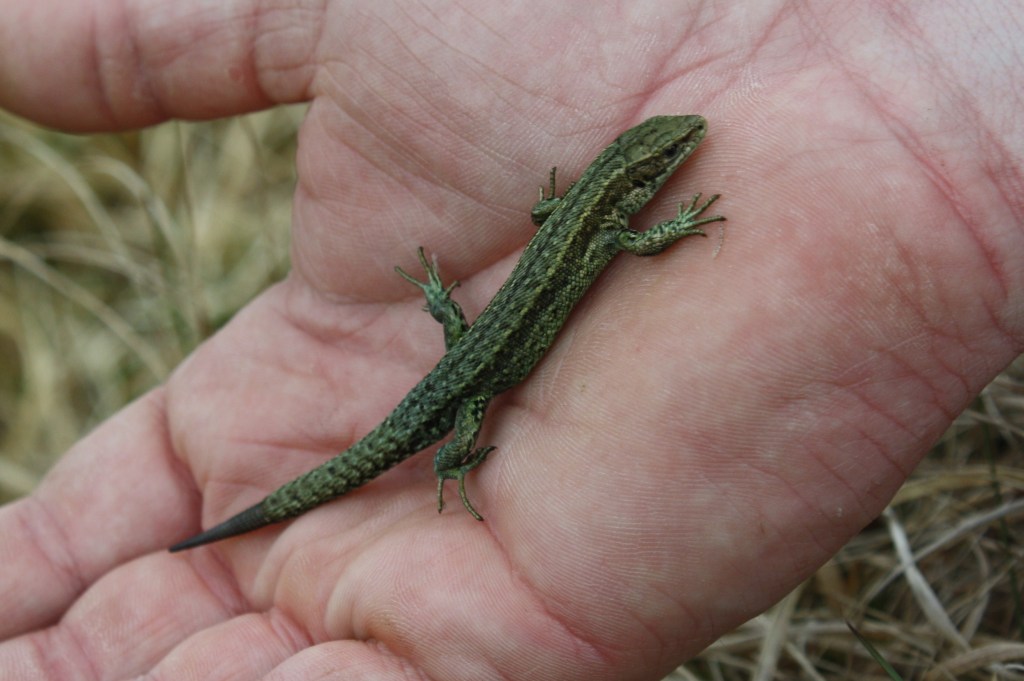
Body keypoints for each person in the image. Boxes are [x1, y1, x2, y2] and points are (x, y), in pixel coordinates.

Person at [0, 3, 1020, 679]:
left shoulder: (582, 206)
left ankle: (410, 459)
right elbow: (637, 240)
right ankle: (443, 466)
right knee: (452, 418)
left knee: (456, 371)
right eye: (664, 153)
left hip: (472, 344)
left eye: (668, 154)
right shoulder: (615, 217)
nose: (679, 152)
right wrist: (682, 226)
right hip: (467, 378)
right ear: (629, 173)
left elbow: (566, 219)